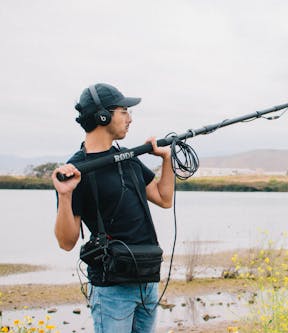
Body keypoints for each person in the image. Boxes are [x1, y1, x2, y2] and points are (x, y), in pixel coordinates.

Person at [51, 83, 175, 333]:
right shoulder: (76, 170)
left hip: (148, 278)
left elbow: (164, 198)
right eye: (124, 111)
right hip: (112, 290)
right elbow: (66, 242)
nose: (130, 119)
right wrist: (65, 196)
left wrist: (166, 159)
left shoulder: (128, 159)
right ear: (103, 116)